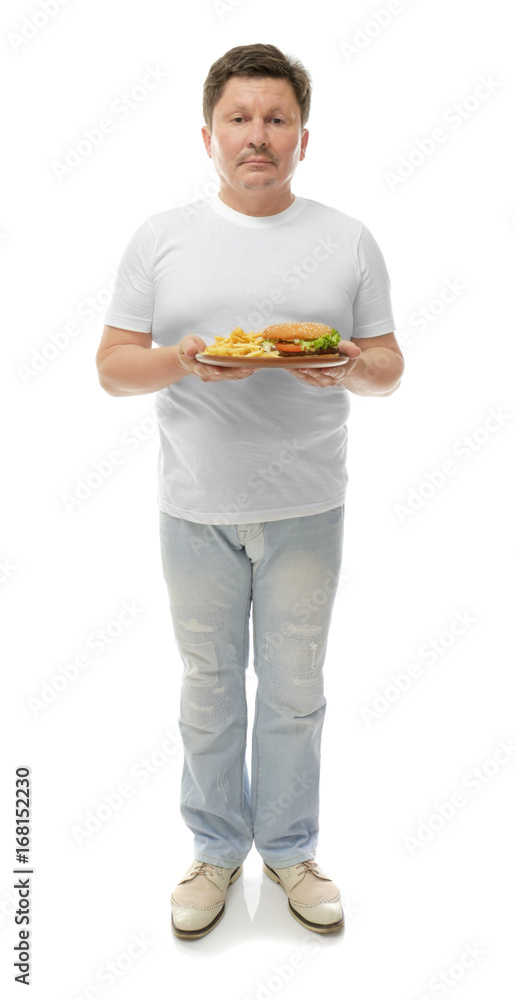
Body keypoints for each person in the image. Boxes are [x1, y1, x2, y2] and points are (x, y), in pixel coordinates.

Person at [95, 42, 404, 941]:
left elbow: (388, 367)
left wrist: (348, 366)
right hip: (194, 508)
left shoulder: (347, 238)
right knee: (208, 688)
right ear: (208, 135)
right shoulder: (161, 237)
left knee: (295, 691)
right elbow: (113, 368)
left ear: (303, 138)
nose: (256, 135)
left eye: (276, 119)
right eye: (238, 118)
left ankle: (292, 850)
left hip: (309, 506)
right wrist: (180, 362)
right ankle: (214, 850)